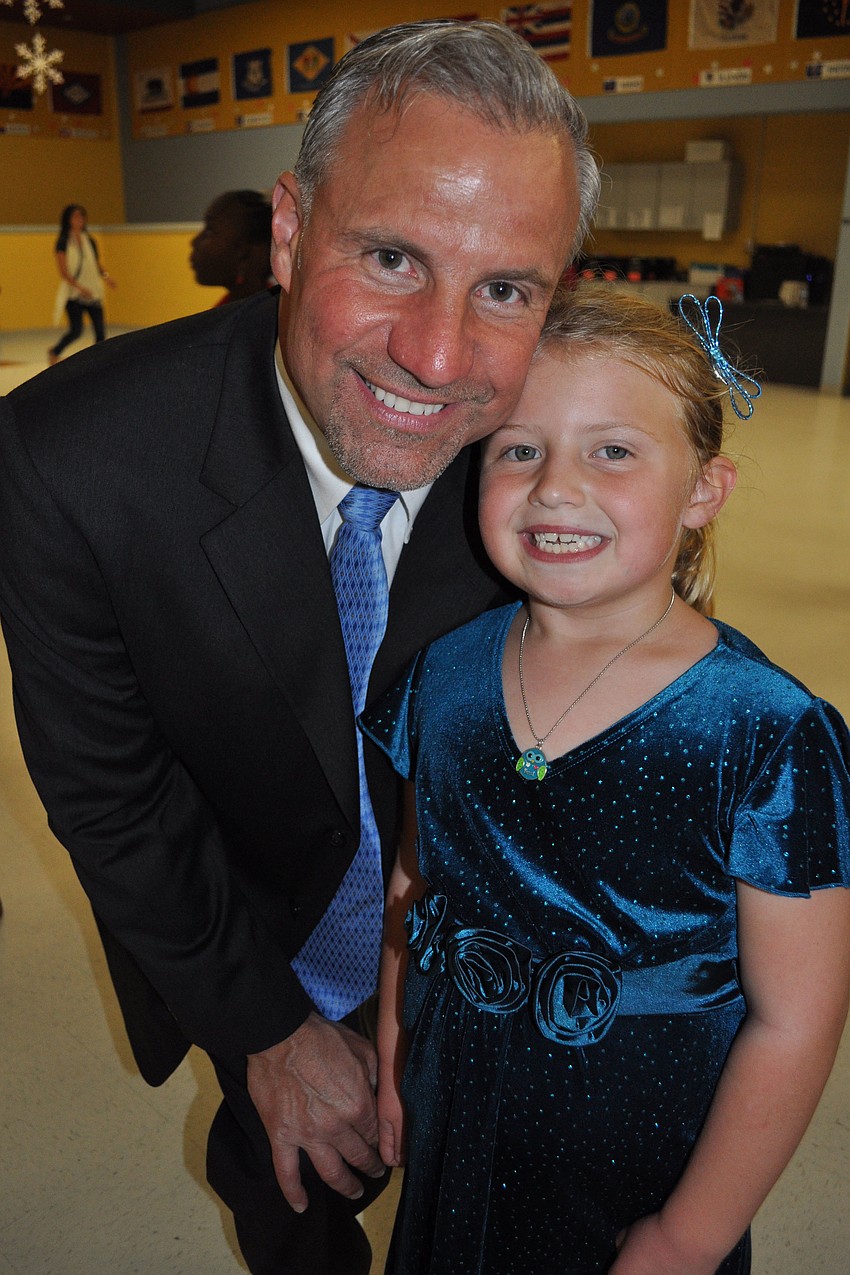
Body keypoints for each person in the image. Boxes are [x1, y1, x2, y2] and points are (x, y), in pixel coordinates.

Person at [0, 21, 599, 1275]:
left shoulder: (579, 461)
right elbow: (114, 800)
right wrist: (269, 1034)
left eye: (506, 289)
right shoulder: (69, 465)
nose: (438, 359)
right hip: (252, 934)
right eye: (390, 257)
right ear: (288, 230)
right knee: (285, 1198)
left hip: (502, 970)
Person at [365, 284, 850, 1274]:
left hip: (642, 1150)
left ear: (704, 490)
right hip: (459, 1097)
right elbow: (415, 894)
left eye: (613, 450)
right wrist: (392, 1062)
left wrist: (687, 1235)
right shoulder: (443, 677)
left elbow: (796, 1017)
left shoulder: (763, 731)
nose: (553, 487)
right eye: (518, 449)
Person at [47, 204, 115, 364]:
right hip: (74, 293)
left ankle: (100, 360)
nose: (80, 220)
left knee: (100, 330)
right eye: (76, 216)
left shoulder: (90, 241)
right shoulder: (63, 241)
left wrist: (106, 277)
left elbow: (96, 264)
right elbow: (64, 271)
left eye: (82, 216)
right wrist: (79, 288)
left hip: (92, 291)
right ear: (68, 220)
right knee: (76, 330)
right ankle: (55, 351)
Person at [190, 189, 274, 305]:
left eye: (209, 231)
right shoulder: (226, 310)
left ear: (242, 250)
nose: (194, 241)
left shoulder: (270, 315)